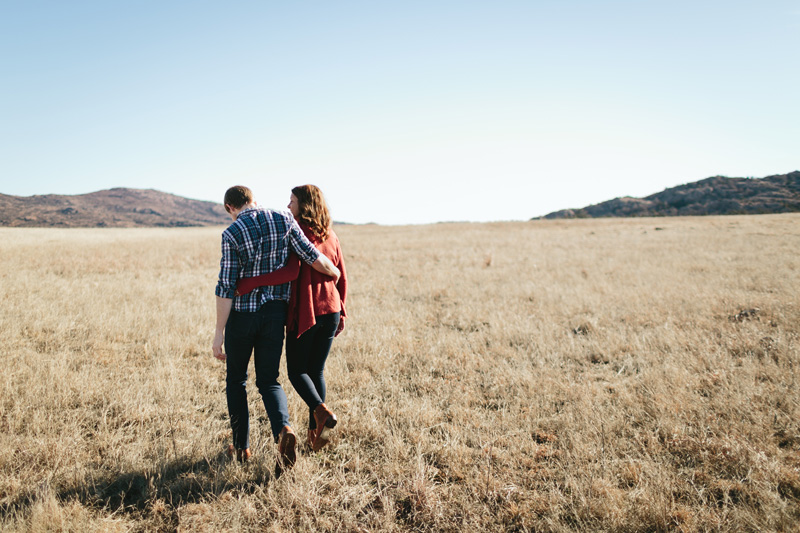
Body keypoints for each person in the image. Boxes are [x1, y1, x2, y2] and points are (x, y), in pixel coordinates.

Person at [212, 185, 340, 476]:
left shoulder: (231, 233)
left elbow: (226, 286)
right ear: (253, 200)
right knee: (269, 380)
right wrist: (333, 271)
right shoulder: (283, 218)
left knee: (236, 381)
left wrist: (219, 331)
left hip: (243, 316)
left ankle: (241, 447)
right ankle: (283, 429)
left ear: (231, 208)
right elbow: (310, 255)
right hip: (274, 316)